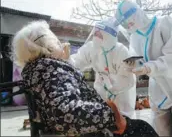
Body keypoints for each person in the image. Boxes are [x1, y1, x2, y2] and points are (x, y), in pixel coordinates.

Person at [11, 20, 159, 137]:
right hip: (98, 122)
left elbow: (126, 81)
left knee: (138, 125)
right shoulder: (52, 71)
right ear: (47, 47)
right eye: (56, 41)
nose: (61, 43)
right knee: (143, 129)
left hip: (111, 104)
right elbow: (65, 112)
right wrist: (111, 114)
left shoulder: (41, 70)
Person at [114, 0, 172, 136]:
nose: (128, 25)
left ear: (137, 12)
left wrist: (149, 67)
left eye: (128, 20)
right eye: (124, 23)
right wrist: (130, 67)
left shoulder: (168, 24)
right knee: (158, 133)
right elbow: (137, 61)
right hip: (159, 95)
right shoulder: (136, 37)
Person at [70, 17, 137, 119]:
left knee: (122, 120)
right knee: (101, 118)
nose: (96, 36)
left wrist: (113, 89)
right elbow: (77, 62)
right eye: (95, 33)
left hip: (122, 94)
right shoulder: (91, 48)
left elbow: (126, 79)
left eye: (99, 34)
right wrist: (66, 59)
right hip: (101, 87)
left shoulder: (121, 51)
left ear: (110, 35)